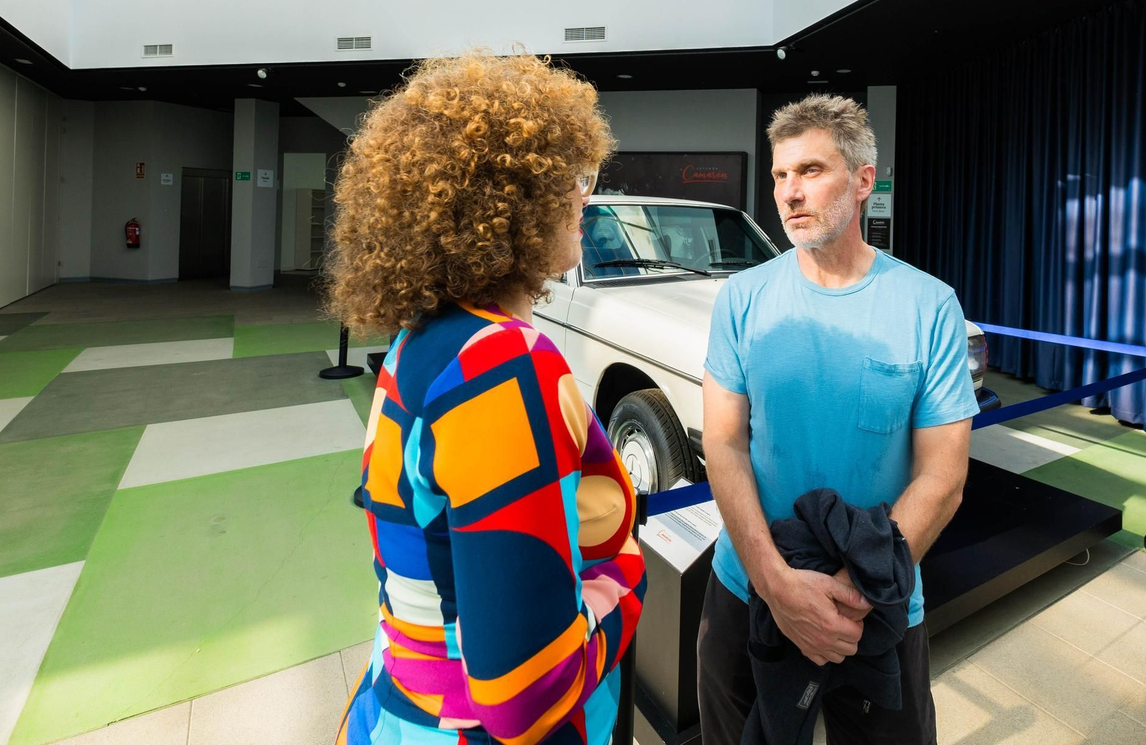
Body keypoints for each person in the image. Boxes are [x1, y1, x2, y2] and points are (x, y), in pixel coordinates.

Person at [326, 52, 646, 745]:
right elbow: (527, 696)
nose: (584, 197)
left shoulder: (424, 346)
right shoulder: (501, 365)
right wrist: (625, 588)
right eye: (571, 179)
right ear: (510, 202)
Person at [698, 94, 976, 744]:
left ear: (863, 181)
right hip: (747, 588)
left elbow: (943, 476)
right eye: (780, 176)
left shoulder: (928, 307)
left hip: (876, 605)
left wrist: (851, 594)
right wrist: (775, 583)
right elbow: (724, 443)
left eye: (811, 171)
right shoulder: (741, 300)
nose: (789, 192)